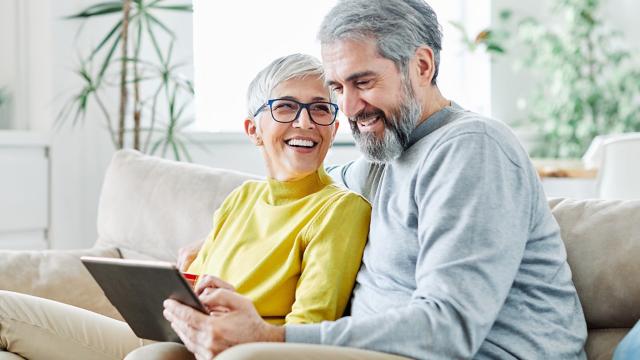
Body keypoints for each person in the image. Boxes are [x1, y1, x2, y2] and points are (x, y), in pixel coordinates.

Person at [130, 0, 589, 359]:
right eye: (337, 89)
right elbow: (293, 189)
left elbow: (449, 329)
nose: (347, 109)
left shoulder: (471, 148)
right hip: (368, 353)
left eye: (363, 82)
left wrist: (271, 335)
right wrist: (215, 254)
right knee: (156, 354)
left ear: (422, 66)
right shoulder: (383, 157)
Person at [0, 53, 371, 359]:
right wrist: (186, 279)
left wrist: (240, 325)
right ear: (253, 130)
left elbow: (308, 331)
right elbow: (205, 286)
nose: (305, 122)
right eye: (286, 107)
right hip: (174, 338)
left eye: (321, 109)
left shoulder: (340, 209)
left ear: (334, 128)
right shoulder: (242, 198)